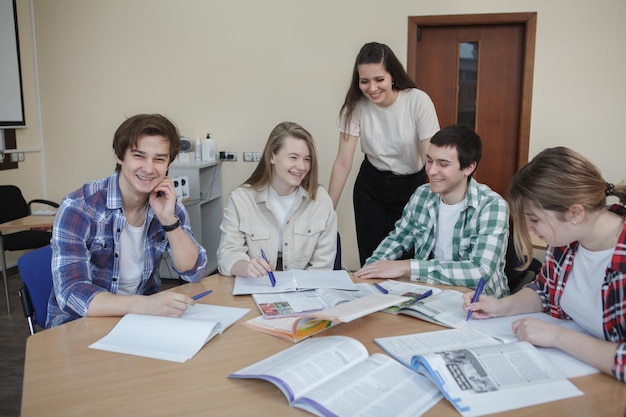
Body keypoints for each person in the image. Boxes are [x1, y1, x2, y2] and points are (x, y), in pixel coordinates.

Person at [464, 146, 626, 382]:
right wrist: (500, 306)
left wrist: (557, 337)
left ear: (576, 213)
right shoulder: (566, 240)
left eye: (535, 220)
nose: (530, 229)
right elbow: (544, 291)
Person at [47, 114, 208, 327]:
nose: (149, 169)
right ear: (119, 155)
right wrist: (144, 305)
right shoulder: (78, 208)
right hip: (80, 324)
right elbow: (72, 294)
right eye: (139, 156)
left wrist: (169, 220)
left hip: (139, 321)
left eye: (159, 159)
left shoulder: (168, 205)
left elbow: (193, 271)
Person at [355, 124, 510, 298]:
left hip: (480, 304)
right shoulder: (422, 194)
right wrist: (369, 270)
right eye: (429, 161)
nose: (431, 170)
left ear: (469, 167)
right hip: (432, 296)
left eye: (443, 164)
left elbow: (479, 272)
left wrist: (407, 266)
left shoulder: (492, 206)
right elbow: (398, 238)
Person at [329, 41, 440, 266]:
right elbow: (343, 162)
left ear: (392, 76)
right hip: (371, 185)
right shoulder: (356, 106)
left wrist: (442, 199)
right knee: (371, 260)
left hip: (411, 186)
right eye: (364, 81)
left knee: (405, 261)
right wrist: (326, 210)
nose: (372, 88)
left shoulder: (417, 101)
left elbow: (433, 157)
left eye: (379, 79)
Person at [217, 121, 337, 278]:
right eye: (293, 157)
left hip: (305, 291)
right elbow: (227, 254)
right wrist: (245, 267)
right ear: (272, 156)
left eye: (307, 159)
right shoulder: (241, 199)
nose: (301, 166)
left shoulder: (320, 199)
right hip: (256, 286)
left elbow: (323, 266)